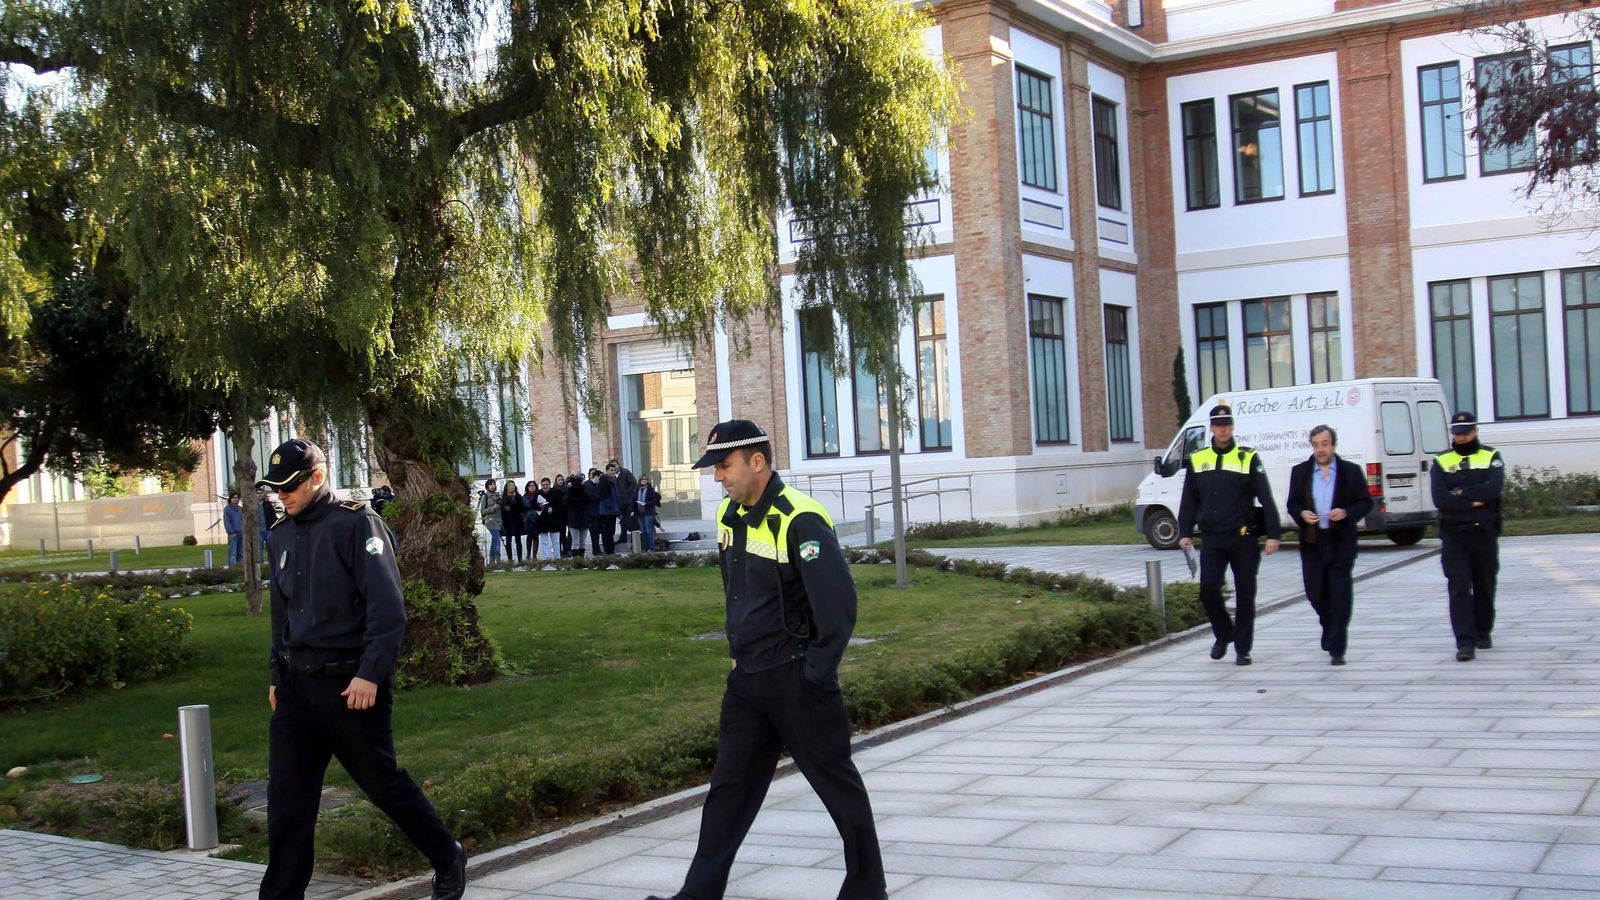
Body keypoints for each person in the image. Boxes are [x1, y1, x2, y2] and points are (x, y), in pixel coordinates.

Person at [648, 420, 885, 900]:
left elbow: (838, 608)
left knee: (838, 789)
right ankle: (697, 895)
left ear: (757, 462)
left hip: (798, 681)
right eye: (715, 468)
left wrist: (815, 674)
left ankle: (867, 891)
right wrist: (738, 656)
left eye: (724, 466)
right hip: (748, 683)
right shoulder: (728, 516)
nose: (718, 477)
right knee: (727, 793)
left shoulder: (801, 518)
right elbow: (736, 592)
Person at [256, 439, 466, 900]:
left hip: (349, 687)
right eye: (276, 489)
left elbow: (387, 609)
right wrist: (275, 674)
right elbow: (281, 614)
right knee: (287, 804)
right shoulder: (279, 535)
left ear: (317, 477)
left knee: (382, 786)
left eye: (289, 486)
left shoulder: (355, 523)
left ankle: (447, 855)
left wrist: (371, 673)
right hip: (296, 687)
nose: (282, 496)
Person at [1178, 404, 1282, 666]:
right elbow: (1189, 499)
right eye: (1218, 425)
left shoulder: (1248, 457)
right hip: (1212, 537)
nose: (1223, 430)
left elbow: (1265, 497)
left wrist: (1274, 534)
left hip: (1243, 537)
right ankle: (1224, 634)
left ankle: (1243, 649)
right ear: (1212, 428)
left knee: (1246, 593)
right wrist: (1184, 531)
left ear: (1232, 427)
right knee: (1208, 589)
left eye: (1226, 425)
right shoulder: (1198, 459)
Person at [1285, 425, 1373, 666]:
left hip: (1340, 541)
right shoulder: (1300, 472)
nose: (1320, 449)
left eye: (1324, 444)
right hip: (1313, 541)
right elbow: (1292, 503)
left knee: (1340, 594)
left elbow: (1365, 503)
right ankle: (1328, 624)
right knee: (1315, 592)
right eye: (1316, 445)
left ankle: (1337, 647)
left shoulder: (1350, 472)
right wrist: (1301, 513)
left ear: (1333, 445)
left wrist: (1346, 513)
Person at [1431, 411, 1505, 662]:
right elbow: (1440, 499)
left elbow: (1493, 490)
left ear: (1475, 431)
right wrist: (1472, 501)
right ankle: (1464, 641)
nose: (1461, 438)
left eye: (1465, 433)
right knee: (1459, 587)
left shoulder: (1491, 456)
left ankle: (1483, 631)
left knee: (1485, 585)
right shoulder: (1441, 461)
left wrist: (1460, 493)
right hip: (1454, 535)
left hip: (1484, 532)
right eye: (1457, 433)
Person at [588, 466, 617, 556]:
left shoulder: (611, 480)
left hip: (610, 510)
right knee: (606, 531)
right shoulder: (604, 481)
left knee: (610, 531)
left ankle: (609, 550)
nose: (613, 472)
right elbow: (604, 496)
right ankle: (608, 550)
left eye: (614, 470)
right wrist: (612, 506)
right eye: (611, 470)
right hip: (606, 511)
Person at [610, 458, 637, 547]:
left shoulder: (625, 472)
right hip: (619, 502)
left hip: (628, 501)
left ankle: (634, 539)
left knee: (630, 520)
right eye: (612, 465)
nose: (614, 467)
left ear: (618, 465)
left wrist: (627, 493)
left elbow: (633, 483)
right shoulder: (612, 475)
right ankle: (623, 537)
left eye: (615, 465)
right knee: (622, 521)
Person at [500, 481, 526, 565]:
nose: (512, 487)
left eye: (513, 485)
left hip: (517, 521)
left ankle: (520, 559)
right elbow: (501, 510)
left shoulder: (518, 497)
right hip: (507, 521)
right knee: (508, 540)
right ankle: (510, 559)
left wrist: (514, 501)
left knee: (518, 540)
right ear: (506, 487)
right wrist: (505, 508)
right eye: (510, 485)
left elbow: (521, 508)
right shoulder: (503, 498)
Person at [565, 472, 590, 559]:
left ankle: (578, 559)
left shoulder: (581, 491)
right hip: (576, 519)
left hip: (579, 519)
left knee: (578, 541)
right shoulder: (571, 492)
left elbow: (589, 498)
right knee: (578, 541)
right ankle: (577, 559)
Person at [478, 478, 502, 565]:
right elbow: (482, 511)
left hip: (499, 521)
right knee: (497, 538)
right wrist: (493, 508)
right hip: (490, 520)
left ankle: (492, 561)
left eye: (494, 484)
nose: (493, 486)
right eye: (491, 484)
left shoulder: (498, 496)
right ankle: (497, 558)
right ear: (487, 486)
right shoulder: (485, 496)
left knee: (495, 540)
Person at [636, 474, 662, 553]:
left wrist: (646, 503)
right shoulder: (637, 489)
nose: (644, 481)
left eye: (645, 479)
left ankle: (651, 547)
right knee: (643, 531)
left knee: (648, 530)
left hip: (648, 512)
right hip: (640, 512)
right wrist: (632, 510)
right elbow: (633, 500)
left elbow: (654, 501)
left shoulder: (650, 490)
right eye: (642, 479)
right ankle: (645, 547)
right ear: (640, 481)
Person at [224, 492, 245, 566]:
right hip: (233, 534)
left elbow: (243, 520)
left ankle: (240, 568)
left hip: (241, 533)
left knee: (240, 553)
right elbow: (226, 521)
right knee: (232, 554)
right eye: (234, 498)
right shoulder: (227, 509)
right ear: (230, 499)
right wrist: (231, 532)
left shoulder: (240, 509)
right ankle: (232, 569)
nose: (235, 499)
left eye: (237, 498)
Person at [258, 488, 279, 556]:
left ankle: (271, 561)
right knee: (259, 549)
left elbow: (273, 515)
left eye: (261, 493)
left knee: (270, 548)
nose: (260, 495)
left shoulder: (267, 504)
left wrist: (274, 527)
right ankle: (260, 561)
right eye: (258, 493)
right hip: (258, 531)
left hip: (268, 529)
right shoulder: (253, 505)